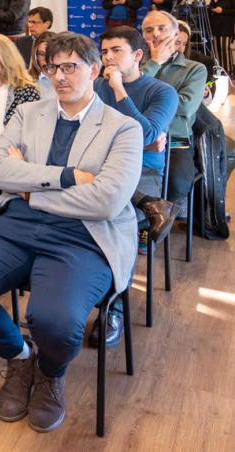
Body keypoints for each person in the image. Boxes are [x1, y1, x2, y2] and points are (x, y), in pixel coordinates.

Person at [0, 33, 143, 433]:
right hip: (16, 224)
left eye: (71, 67)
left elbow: (105, 201)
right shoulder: (29, 113)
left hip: (85, 235)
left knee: (55, 320)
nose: (60, 76)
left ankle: (50, 372)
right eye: (52, 67)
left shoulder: (124, 129)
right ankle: (19, 357)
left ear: (95, 70)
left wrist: (32, 192)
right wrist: (67, 178)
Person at [93, 25, 179, 348]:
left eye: (116, 50)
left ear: (138, 55)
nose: (108, 58)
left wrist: (119, 92)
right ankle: (150, 205)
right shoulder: (96, 87)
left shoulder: (161, 92)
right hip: (100, 167)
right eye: (104, 52)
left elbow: (145, 135)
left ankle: (112, 308)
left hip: (143, 171)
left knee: (118, 218)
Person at [140, 11, 208, 207]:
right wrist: (154, 64)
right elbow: (130, 97)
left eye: (162, 28)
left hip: (176, 139)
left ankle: (156, 219)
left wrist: (147, 98)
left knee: (176, 182)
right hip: (139, 136)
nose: (156, 34)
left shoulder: (195, 69)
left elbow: (186, 106)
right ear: (143, 36)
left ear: (176, 33)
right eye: (149, 30)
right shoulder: (135, 64)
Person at [208, 0, 235, 74]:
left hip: (226, 28)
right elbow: (209, 8)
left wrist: (222, 10)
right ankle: (218, 70)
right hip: (215, 27)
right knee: (216, 49)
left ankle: (228, 70)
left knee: (225, 49)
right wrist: (214, 2)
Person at [29, 31, 60, 100]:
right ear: (36, 56)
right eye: (42, 54)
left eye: (51, 54)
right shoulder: (27, 80)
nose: (47, 59)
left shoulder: (66, 78)